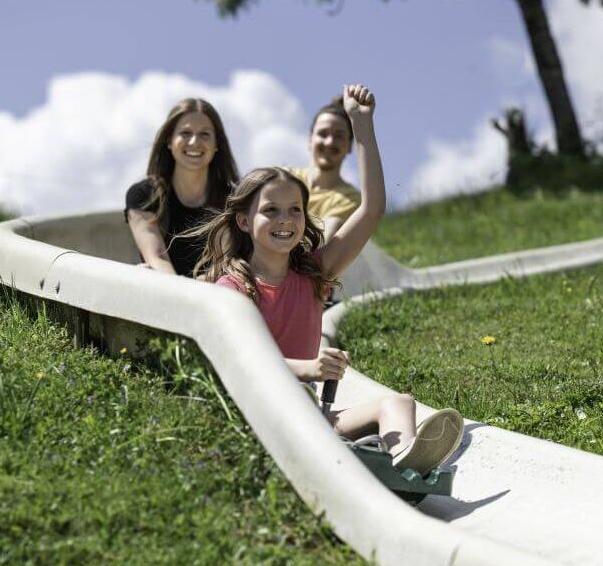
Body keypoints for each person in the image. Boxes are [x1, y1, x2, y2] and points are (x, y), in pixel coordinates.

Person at [191, 85, 463, 475]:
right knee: (311, 412)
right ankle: (382, 459)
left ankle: (405, 460)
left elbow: (372, 209)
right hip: (255, 417)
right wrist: (309, 368)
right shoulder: (232, 288)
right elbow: (245, 360)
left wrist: (362, 125)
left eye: (295, 210)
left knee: (398, 403)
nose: (285, 220)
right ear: (245, 221)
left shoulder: (314, 274)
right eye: (271, 210)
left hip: (310, 417)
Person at [125, 98, 240, 277]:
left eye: (204, 134)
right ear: (169, 141)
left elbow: (226, 266)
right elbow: (156, 258)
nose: (194, 142)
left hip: (216, 291)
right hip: (165, 290)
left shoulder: (234, 200)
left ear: (217, 144)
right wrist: (185, 292)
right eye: (185, 133)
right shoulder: (143, 196)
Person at [286, 96, 361, 244]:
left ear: (350, 145)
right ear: (310, 139)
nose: (329, 142)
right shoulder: (285, 178)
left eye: (339, 136)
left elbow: (323, 242)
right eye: (323, 133)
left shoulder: (351, 198)